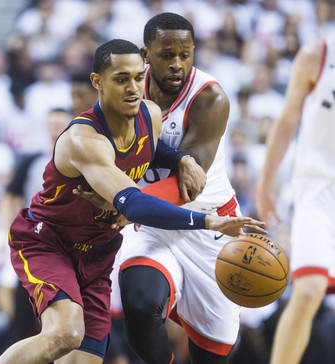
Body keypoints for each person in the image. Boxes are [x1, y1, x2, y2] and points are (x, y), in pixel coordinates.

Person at [0, 38, 265, 364]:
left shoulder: (148, 114)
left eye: (138, 77)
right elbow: (133, 205)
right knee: (66, 332)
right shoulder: (83, 140)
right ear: (98, 82)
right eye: (121, 79)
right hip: (51, 242)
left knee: (85, 359)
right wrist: (207, 220)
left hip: (97, 252)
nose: (133, 87)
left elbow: (151, 148)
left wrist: (180, 158)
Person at [76, 13, 262, 364]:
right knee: (140, 304)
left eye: (185, 54)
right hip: (148, 222)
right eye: (167, 55)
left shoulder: (210, 98)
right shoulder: (127, 87)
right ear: (147, 54)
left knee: (211, 355)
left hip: (209, 226)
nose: (177, 64)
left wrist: (125, 202)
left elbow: (188, 187)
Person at [256, 37, 335, 364]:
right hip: (318, 190)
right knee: (306, 293)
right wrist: (266, 182)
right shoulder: (317, 54)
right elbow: (288, 120)